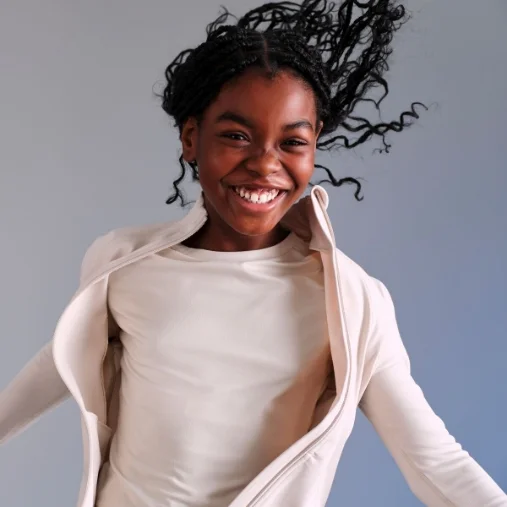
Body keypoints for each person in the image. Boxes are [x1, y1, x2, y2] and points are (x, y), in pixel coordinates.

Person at [0, 1, 505, 506]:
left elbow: (435, 462)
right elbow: (63, 355)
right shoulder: (124, 264)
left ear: (314, 144)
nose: (265, 164)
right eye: (237, 136)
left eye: (292, 142)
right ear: (191, 138)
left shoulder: (350, 302)